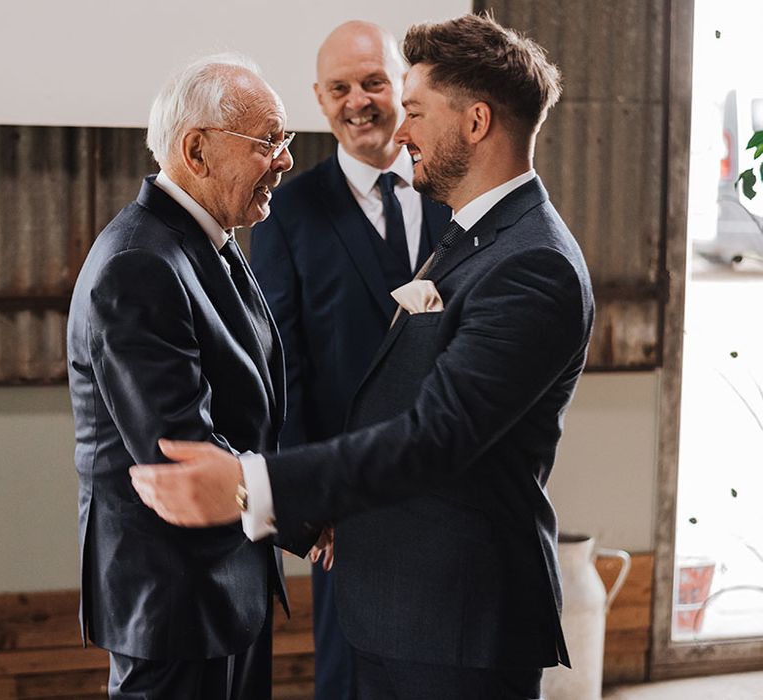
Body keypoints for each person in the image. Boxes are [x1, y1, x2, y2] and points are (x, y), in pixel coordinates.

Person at [131, 13, 595, 700]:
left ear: (475, 122)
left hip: (458, 620)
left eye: (414, 110)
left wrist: (248, 484)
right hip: (398, 604)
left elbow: (436, 436)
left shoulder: (534, 264)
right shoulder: (479, 237)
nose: (399, 131)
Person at [67, 54, 299, 699]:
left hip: (224, 588)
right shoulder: (139, 263)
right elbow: (180, 450)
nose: (284, 160)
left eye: (286, 141)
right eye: (268, 142)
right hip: (174, 605)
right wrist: (304, 511)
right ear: (196, 151)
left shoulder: (208, 240)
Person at [248, 20, 449, 700]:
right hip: (348, 505)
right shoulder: (287, 213)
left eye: (373, 82)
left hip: (453, 492)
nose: (358, 101)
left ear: (403, 86)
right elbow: (284, 369)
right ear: (319, 97)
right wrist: (311, 504)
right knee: (351, 679)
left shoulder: (459, 196)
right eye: (340, 88)